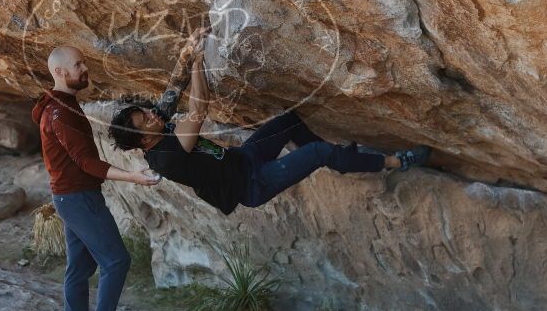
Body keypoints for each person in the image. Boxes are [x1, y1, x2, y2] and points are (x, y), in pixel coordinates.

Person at [108, 28, 431, 216]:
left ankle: (341, 159)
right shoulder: (167, 156)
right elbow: (198, 109)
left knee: (288, 121)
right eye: (145, 120)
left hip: (245, 160)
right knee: (318, 152)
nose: (153, 115)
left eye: (147, 112)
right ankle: (393, 161)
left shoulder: (156, 128)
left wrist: (187, 54)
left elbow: (174, 91)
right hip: (253, 184)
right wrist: (197, 62)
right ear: (142, 141)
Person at [31, 45, 160, 311]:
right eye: (78, 65)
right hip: (78, 198)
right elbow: (86, 163)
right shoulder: (60, 113)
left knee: (79, 268)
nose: (84, 69)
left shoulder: (60, 105)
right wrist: (134, 177)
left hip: (70, 197)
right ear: (60, 72)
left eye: (84, 63)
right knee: (116, 261)